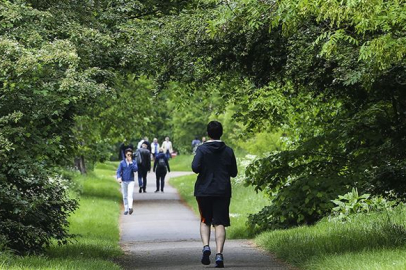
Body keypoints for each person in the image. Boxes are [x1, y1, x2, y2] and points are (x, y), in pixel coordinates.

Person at [191, 121, 238, 268]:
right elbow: (234, 173)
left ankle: (206, 246)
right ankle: (219, 255)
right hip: (222, 191)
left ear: (208, 133)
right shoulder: (228, 151)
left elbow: (195, 168)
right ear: (221, 133)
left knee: (205, 220)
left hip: (204, 191)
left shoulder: (201, 150)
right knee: (220, 222)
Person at [116, 148, 138, 215]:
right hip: (124, 181)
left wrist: (131, 162)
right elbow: (118, 171)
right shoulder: (122, 163)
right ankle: (126, 208)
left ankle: (130, 207)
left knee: (130, 194)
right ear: (125, 155)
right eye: (128, 154)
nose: (129, 156)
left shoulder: (133, 162)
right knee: (125, 195)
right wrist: (119, 177)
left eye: (130, 155)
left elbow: (135, 169)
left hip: (131, 180)